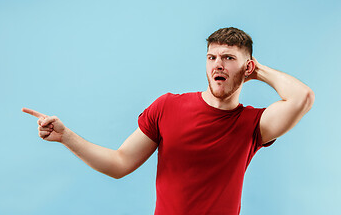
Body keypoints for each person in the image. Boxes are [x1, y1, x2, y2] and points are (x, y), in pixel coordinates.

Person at [22, 27, 315, 215]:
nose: (218, 65)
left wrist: (259, 70)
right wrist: (66, 136)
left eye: (228, 58)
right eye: (211, 57)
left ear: (246, 67)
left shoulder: (254, 124)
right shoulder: (168, 106)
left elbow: (303, 97)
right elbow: (119, 163)